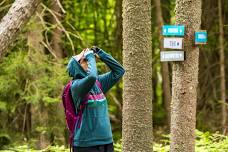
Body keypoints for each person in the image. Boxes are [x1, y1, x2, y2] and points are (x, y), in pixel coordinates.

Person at [67, 46, 125, 152]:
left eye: (89, 59)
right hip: (86, 144)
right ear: (77, 67)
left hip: (106, 141)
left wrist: (100, 53)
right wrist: (89, 56)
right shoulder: (76, 86)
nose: (89, 61)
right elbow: (92, 77)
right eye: (84, 60)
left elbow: (119, 71)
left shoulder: (98, 83)